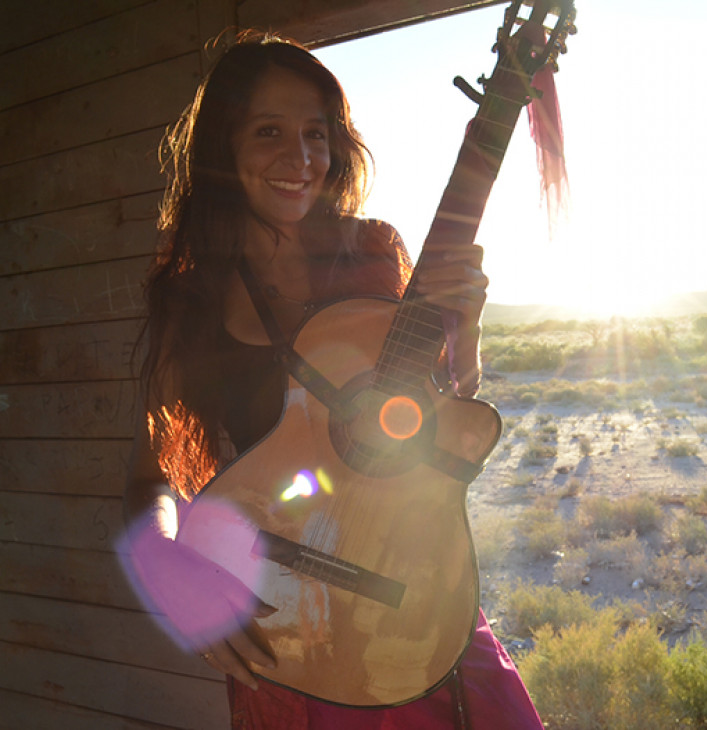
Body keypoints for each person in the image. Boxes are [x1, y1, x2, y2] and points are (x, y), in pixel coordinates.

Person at [122, 30, 544, 729]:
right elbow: (146, 480)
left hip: (410, 595)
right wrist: (177, 576)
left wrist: (465, 329)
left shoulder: (373, 254)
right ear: (222, 148)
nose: (300, 158)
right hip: (287, 625)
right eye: (269, 132)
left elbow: (437, 415)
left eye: (316, 134)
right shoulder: (190, 301)